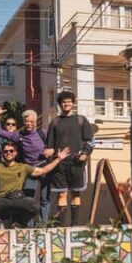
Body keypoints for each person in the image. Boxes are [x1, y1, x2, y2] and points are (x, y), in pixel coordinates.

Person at [0, 141, 70, 229]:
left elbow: (43, 170)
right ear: (3, 153)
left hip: (17, 199)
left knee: (34, 205)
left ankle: (19, 224)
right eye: (6, 151)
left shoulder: (23, 167)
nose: (8, 153)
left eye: (11, 151)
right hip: (2, 200)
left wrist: (58, 159)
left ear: (16, 152)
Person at [45, 90, 95, 227]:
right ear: (60, 105)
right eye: (63, 102)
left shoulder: (81, 120)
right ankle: (62, 227)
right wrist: (50, 153)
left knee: (75, 194)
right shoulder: (55, 122)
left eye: (69, 102)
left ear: (73, 103)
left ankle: (75, 225)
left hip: (77, 163)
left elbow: (90, 141)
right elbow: (49, 145)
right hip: (60, 164)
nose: (66, 104)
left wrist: (85, 153)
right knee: (62, 194)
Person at [0, 107, 49, 225]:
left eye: (31, 122)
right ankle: (29, 228)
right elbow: (0, 132)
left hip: (44, 168)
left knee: (44, 199)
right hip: (29, 170)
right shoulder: (18, 135)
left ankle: (44, 226)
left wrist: (52, 151)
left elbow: (52, 145)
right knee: (28, 201)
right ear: (23, 122)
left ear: (35, 122)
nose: (29, 124)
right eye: (26, 121)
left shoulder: (42, 133)